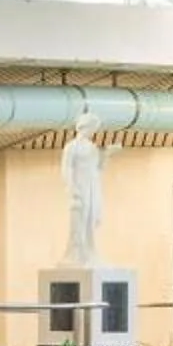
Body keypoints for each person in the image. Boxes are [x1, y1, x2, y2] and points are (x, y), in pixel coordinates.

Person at [61, 110, 107, 264]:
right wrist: (72, 188)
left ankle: (89, 250)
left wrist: (106, 155)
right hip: (79, 188)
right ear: (83, 127)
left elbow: (98, 169)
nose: (92, 132)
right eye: (91, 128)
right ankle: (79, 253)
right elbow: (66, 168)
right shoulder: (71, 147)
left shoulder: (92, 147)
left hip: (91, 187)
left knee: (88, 222)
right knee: (79, 222)